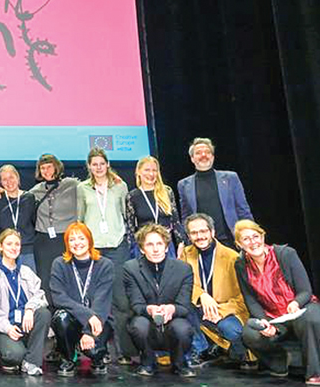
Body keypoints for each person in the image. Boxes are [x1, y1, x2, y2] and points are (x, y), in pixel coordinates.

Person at [234, 220, 320, 386]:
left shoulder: (285, 253)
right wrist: (263, 320)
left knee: (313, 318)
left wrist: (296, 303)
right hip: (275, 317)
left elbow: (306, 290)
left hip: (302, 309)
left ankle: (314, 373)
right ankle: (279, 361)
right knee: (249, 332)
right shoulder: (240, 265)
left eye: (256, 236)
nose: (253, 242)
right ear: (239, 244)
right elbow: (250, 299)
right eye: (246, 239)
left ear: (263, 236)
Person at [76, 147, 132, 363]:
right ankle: (100, 349)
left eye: (102, 163)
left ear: (107, 164)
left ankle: (125, 351)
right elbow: (80, 218)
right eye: (94, 164)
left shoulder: (120, 186)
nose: (98, 167)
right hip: (94, 250)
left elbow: (127, 215)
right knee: (97, 301)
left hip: (117, 246)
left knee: (121, 301)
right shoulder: (82, 188)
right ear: (89, 167)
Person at [124, 224, 196, 377]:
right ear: (142, 249)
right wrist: (149, 309)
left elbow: (184, 306)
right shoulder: (131, 268)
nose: (155, 249)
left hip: (173, 321)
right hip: (147, 320)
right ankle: (147, 362)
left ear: (166, 247)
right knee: (138, 325)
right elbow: (136, 304)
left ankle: (180, 363)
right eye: (150, 244)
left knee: (183, 329)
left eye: (159, 244)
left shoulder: (183, 269)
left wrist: (171, 309)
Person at [179, 213, 250, 368]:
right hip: (200, 309)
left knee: (231, 331)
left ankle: (233, 350)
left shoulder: (232, 257)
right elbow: (182, 284)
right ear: (189, 236)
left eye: (203, 231)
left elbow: (243, 298)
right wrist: (202, 295)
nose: (200, 236)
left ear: (212, 232)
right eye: (194, 233)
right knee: (182, 305)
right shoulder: (185, 254)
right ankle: (202, 349)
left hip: (228, 312)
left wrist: (219, 311)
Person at [0, 228, 50, 375]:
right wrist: (7, 328)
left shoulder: (25, 271)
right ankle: (12, 354)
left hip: (24, 325)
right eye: (9, 244)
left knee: (44, 314)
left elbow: (40, 295)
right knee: (14, 355)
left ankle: (31, 362)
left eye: (17, 244)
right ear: (1, 246)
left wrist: (30, 309)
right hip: (1, 327)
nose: (14, 248)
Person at [50, 222, 114, 377]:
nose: (77, 243)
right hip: (74, 319)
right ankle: (68, 357)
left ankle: (97, 358)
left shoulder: (105, 265)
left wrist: (88, 332)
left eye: (81, 238)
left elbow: (102, 301)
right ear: (67, 244)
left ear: (90, 241)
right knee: (61, 318)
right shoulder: (59, 264)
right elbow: (59, 298)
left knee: (94, 351)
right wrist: (88, 316)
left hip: (99, 318)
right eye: (72, 239)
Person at [177, 138, 253, 246]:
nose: (204, 155)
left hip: (231, 240)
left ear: (212, 156)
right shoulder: (183, 185)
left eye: (207, 152)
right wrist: (186, 242)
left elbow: (243, 209)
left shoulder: (231, 178)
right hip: (202, 242)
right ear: (192, 158)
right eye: (198, 153)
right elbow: (186, 217)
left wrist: (251, 235)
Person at [27, 154, 78, 305]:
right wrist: (0, 191)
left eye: (49, 166)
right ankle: (51, 314)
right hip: (43, 241)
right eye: (42, 168)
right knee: (46, 278)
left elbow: (92, 185)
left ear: (57, 166)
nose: (46, 171)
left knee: (68, 275)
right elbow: (17, 197)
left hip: (65, 238)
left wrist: (113, 179)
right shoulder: (35, 191)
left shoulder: (72, 185)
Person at [126, 156, 184, 258]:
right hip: (145, 246)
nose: (151, 174)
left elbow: (175, 221)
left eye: (154, 170)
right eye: (147, 170)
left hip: (166, 245)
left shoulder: (167, 192)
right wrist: (132, 250)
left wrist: (180, 243)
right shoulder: (132, 196)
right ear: (138, 172)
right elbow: (130, 228)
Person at [0, 165, 37, 270]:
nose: (9, 182)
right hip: (5, 251)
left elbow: (34, 221)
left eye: (11, 177)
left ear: (18, 178)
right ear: (0, 182)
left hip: (26, 249)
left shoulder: (29, 198)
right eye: (4, 179)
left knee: (28, 282)